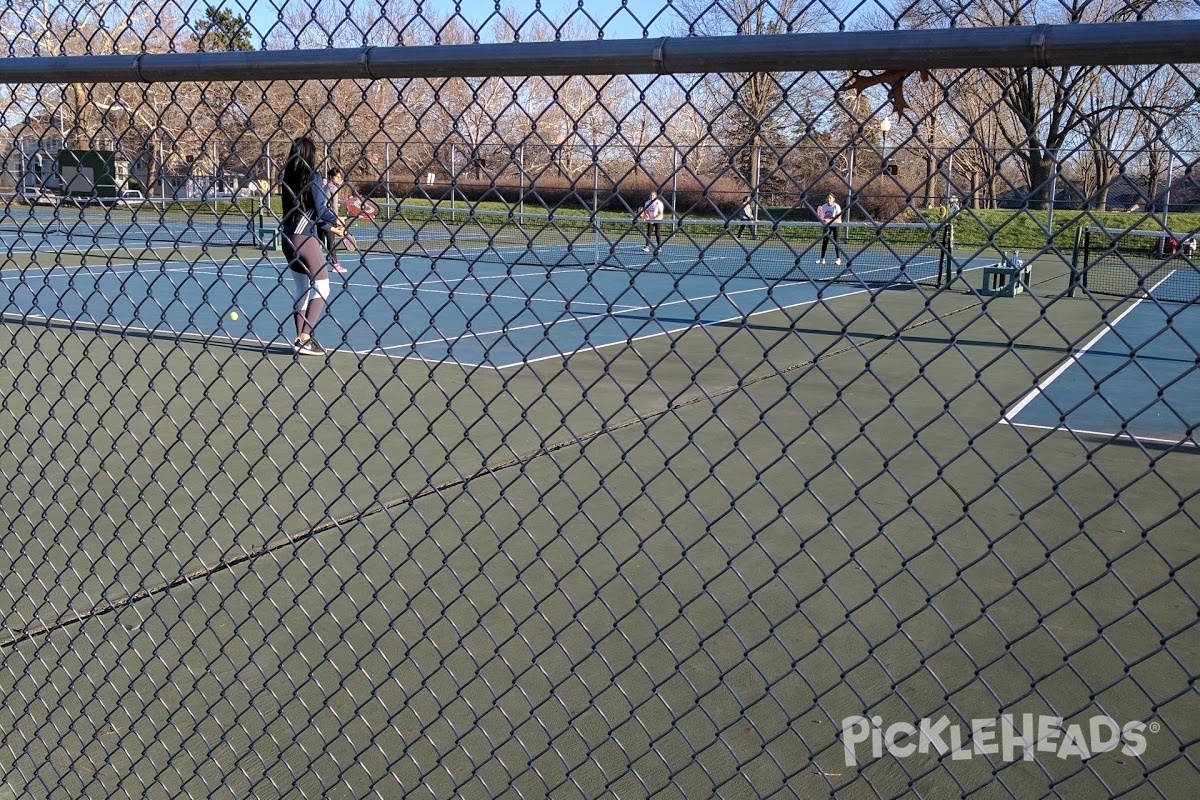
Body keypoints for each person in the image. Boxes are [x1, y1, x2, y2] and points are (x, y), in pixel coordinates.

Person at [280, 136, 344, 356]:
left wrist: (328, 223)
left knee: (301, 289)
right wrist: (335, 219)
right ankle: (305, 338)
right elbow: (319, 209)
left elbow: (308, 211)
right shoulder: (313, 175)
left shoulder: (286, 176)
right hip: (304, 238)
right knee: (323, 287)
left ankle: (300, 337)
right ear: (311, 154)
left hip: (287, 238)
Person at [322, 167, 348, 274]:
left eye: (340, 177)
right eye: (337, 177)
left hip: (321, 217)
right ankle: (335, 265)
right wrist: (336, 220)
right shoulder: (333, 188)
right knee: (331, 243)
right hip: (327, 218)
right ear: (332, 177)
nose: (339, 179)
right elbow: (334, 207)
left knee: (319, 241)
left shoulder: (327, 186)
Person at [817, 193, 842, 265]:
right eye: (827, 198)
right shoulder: (823, 207)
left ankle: (838, 259)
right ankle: (822, 259)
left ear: (833, 199)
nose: (828, 199)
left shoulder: (836, 207)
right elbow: (821, 217)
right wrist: (825, 221)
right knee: (825, 241)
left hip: (836, 225)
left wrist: (829, 221)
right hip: (827, 226)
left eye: (830, 198)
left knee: (836, 241)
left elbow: (839, 219)